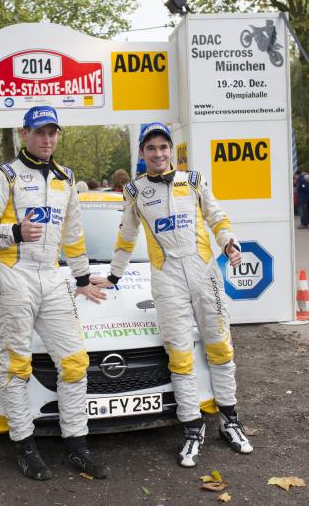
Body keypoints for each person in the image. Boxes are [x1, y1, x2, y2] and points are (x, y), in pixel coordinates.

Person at [0, 106, 110, 481]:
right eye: (40, 132)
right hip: (12, 274)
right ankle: (25, 446)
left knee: (75, 361)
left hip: (51, 274)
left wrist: (82, 278)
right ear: (24, 134)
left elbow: (73, 235)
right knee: (17, 364)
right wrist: (14, 232)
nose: (47, 139)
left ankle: (76, 445)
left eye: (52, 133)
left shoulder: (67, 177)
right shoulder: (4, 174)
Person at [103, 122, 253, 468]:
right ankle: (192, 428)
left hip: (205, 275)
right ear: (142, 153)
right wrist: (113, 276)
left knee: (220, 347)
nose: (158, 154)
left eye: (163, 147)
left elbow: (217, 217)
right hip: (167, 280)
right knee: (180, 355)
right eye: (151, 148)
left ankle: (229, 421)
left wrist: (229, 243)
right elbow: (126, 236)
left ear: (171, 150)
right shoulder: (135, 191)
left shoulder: (194, 180)